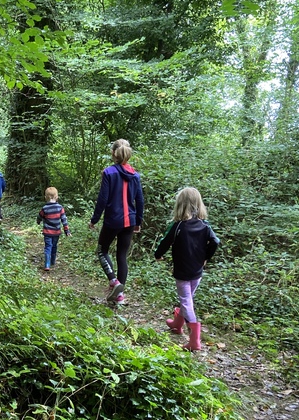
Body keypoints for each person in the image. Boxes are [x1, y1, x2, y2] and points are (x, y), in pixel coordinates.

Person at [154, 187, 220, 351]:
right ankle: (177, 324)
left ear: (180, 205)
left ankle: (194, 339)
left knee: (186, 301)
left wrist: (158, 255)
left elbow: (164, 242)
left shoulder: (177, 226)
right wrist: (206, 257)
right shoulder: (205, 225)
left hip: (182, 271)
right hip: (197, 270)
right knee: (188, 298)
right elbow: (215, 242)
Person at [89, 139, 144, 304]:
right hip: (129, 221)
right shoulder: (135, 175)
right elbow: (140, 201)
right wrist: (138, 222)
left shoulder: (109, 172)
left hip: (113, 220)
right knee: (122, 255)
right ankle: (120, 296)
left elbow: (103, 199)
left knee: (101, 250)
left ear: (113, 153)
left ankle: (114, 282)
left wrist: (94, 220)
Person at [37, 187, 71, 271]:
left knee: (48, 247)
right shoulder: (60, 208)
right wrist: (67, 231)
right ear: (57, 197)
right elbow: (64, 220)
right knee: (54, 246)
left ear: (45, 197)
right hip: (56, 232)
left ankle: (47, 264)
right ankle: (53, 261)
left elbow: (39, 216)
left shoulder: (44, 208)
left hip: (47, 232)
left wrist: (38, 221)